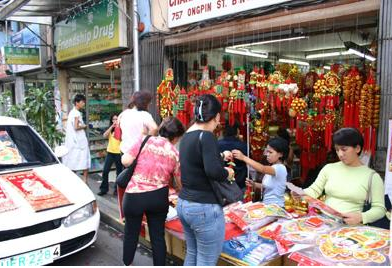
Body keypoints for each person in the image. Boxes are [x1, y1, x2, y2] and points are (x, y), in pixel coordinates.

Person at [177, 94, 235, 266]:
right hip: (203, 208)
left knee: (192, 254)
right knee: (206, 261)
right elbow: (213, 171)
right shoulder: (207, 136)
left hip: (184, 204)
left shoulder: (187, 135)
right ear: (217, 116)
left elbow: (197, 161)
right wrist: (228, 173)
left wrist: (220, 156)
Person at [121, 117, 185, 266]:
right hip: (158, 197)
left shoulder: (145, 140)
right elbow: (179, 183)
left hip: (134, 196)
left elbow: (125, 161)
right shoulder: (175, 153)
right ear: (175, 137)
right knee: (157, 237)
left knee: (131, 234)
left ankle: (127, 264)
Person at [296, 128, 386, 225]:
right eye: (337, 150)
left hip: (351, 227)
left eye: (344, 149)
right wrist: (301, 193)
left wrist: (361, 217)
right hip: (325, 222)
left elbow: (379, 209)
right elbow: (314, 190)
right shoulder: (329, 168)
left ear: (357, 148)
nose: (340, 154)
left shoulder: (372, 177)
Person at [233, 137, 289, 207]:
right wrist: (254, 184)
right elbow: (268, 187)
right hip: (268, 205)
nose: (267, 155)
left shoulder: (280, 168)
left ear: (281, 154)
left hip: (276, 207)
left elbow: (262, 169)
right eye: (267, 152)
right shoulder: (273, 167)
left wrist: (244, 158)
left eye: (270, 152)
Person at [62, 94, 90, 184]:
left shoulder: (72, 112)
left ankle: (73, 180)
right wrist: (84, 126)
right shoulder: (77, 113)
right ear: (77, 103)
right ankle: (85, 180)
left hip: (74, 141)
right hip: (79, 141)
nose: (83, 103)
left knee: (73, 161)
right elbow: (76, 127)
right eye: (82, 102)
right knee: (84, 160)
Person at [98, 114, 123, 196]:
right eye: (113, 119)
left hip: (118, 153)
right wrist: (112, 127)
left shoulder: (122, 129)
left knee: (119, 172)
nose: (115, 121)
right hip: (110, 152)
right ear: (112, 120)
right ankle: (104, 189)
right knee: (105, 171)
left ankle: (117, 190)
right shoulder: (111, 129)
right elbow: (104, 135)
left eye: (116, 119)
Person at [218, 121, 248, 189]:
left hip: (223, 178)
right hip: (240, 179)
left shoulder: (217, 144)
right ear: (237, 131)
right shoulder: (243, 145)